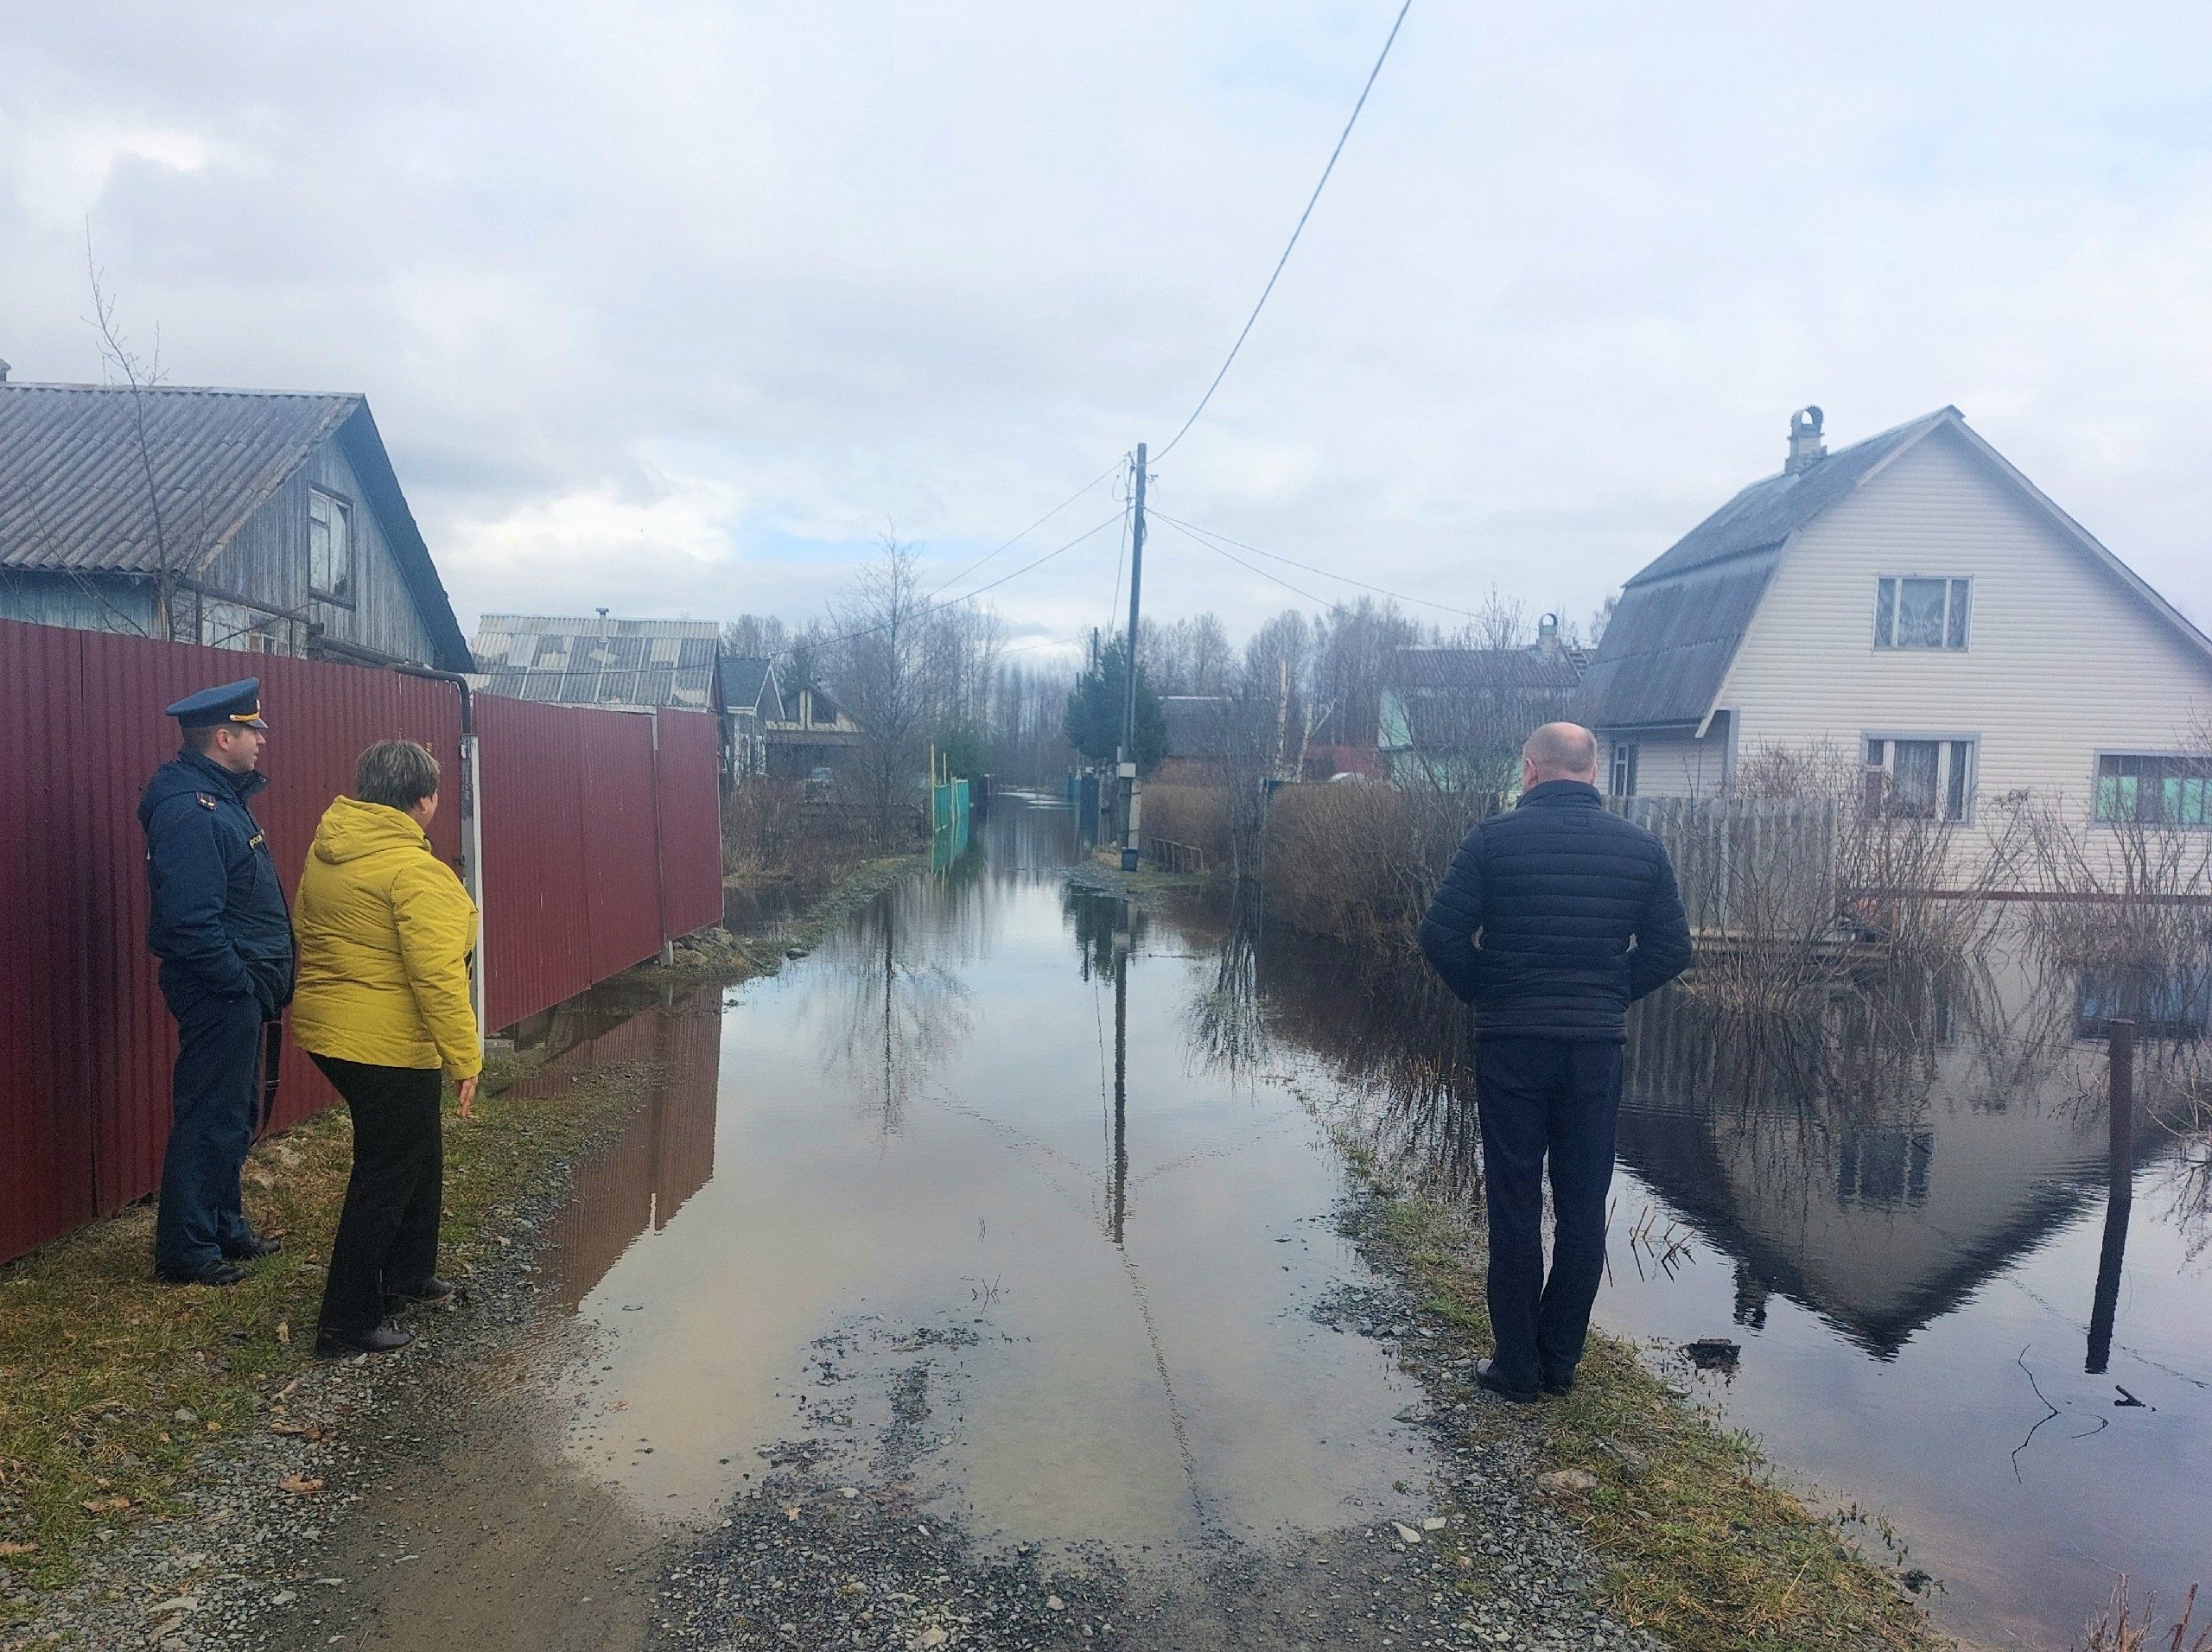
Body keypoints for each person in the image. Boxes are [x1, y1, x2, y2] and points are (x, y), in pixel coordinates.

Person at [1417, 721, 1693, 1402]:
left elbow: (1440, 933)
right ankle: (1559, 1361)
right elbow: (1672, 950)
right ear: (1593, 773)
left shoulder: (1492, 840)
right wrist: (1607, 994)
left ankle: (1516, 1367)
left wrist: (1488, 990)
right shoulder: (1642, 849)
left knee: (1514, 1203)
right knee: (1581, 1207)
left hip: (1511, 1044)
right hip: (1594, 1051)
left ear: (1531, 771)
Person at [290, 740, 481, 1358]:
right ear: (424, 800)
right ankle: (345, 1322)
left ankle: (407, 1275)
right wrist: (466, 1057)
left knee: (416, 1143)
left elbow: (306, 928)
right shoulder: (415, 871)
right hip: (383, 1042)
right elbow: (438, 974)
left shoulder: (330, 851)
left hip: (335, 1031)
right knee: (386, 1169)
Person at [140, 677, 295, 1287]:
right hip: (220, 989)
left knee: (233, 1111)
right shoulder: (190, 810)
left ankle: (223, 1226)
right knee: (209, 1114)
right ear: (223, 737)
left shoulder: (220, 799)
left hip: (240, 988)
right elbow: (191, 921)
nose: (261, 739)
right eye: (252, 729)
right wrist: (238, 983)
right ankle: (187, 1251)